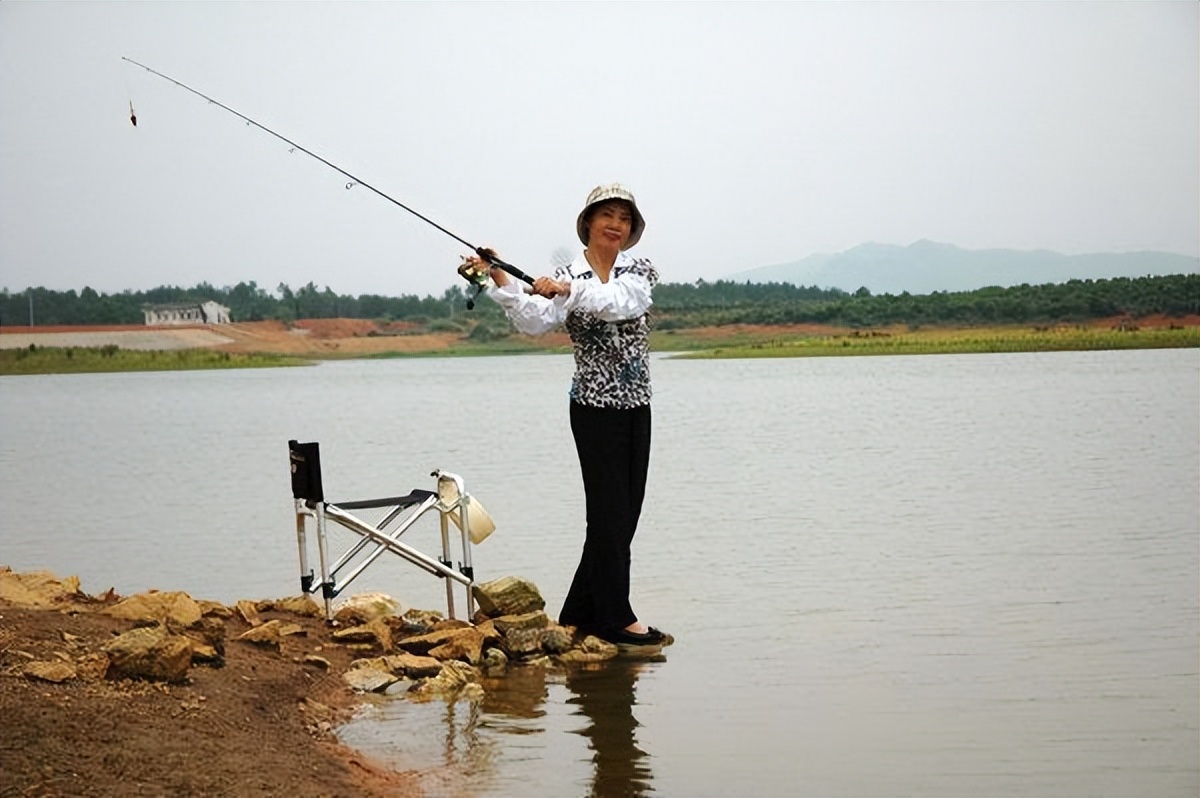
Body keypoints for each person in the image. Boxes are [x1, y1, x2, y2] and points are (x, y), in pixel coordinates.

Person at [468, 183, 667, 653]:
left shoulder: (636, 271)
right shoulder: (566, 274)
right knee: (609, 513)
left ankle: (579, 610)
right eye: (607, 216)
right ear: (590, 223)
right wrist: (498, 275)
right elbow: (535, 319)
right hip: (594, 408)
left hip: (638, 403)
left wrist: (568, 289)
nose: (615, 224)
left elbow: (622, 302)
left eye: (624, 217)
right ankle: (617, 616)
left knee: (625, 512)